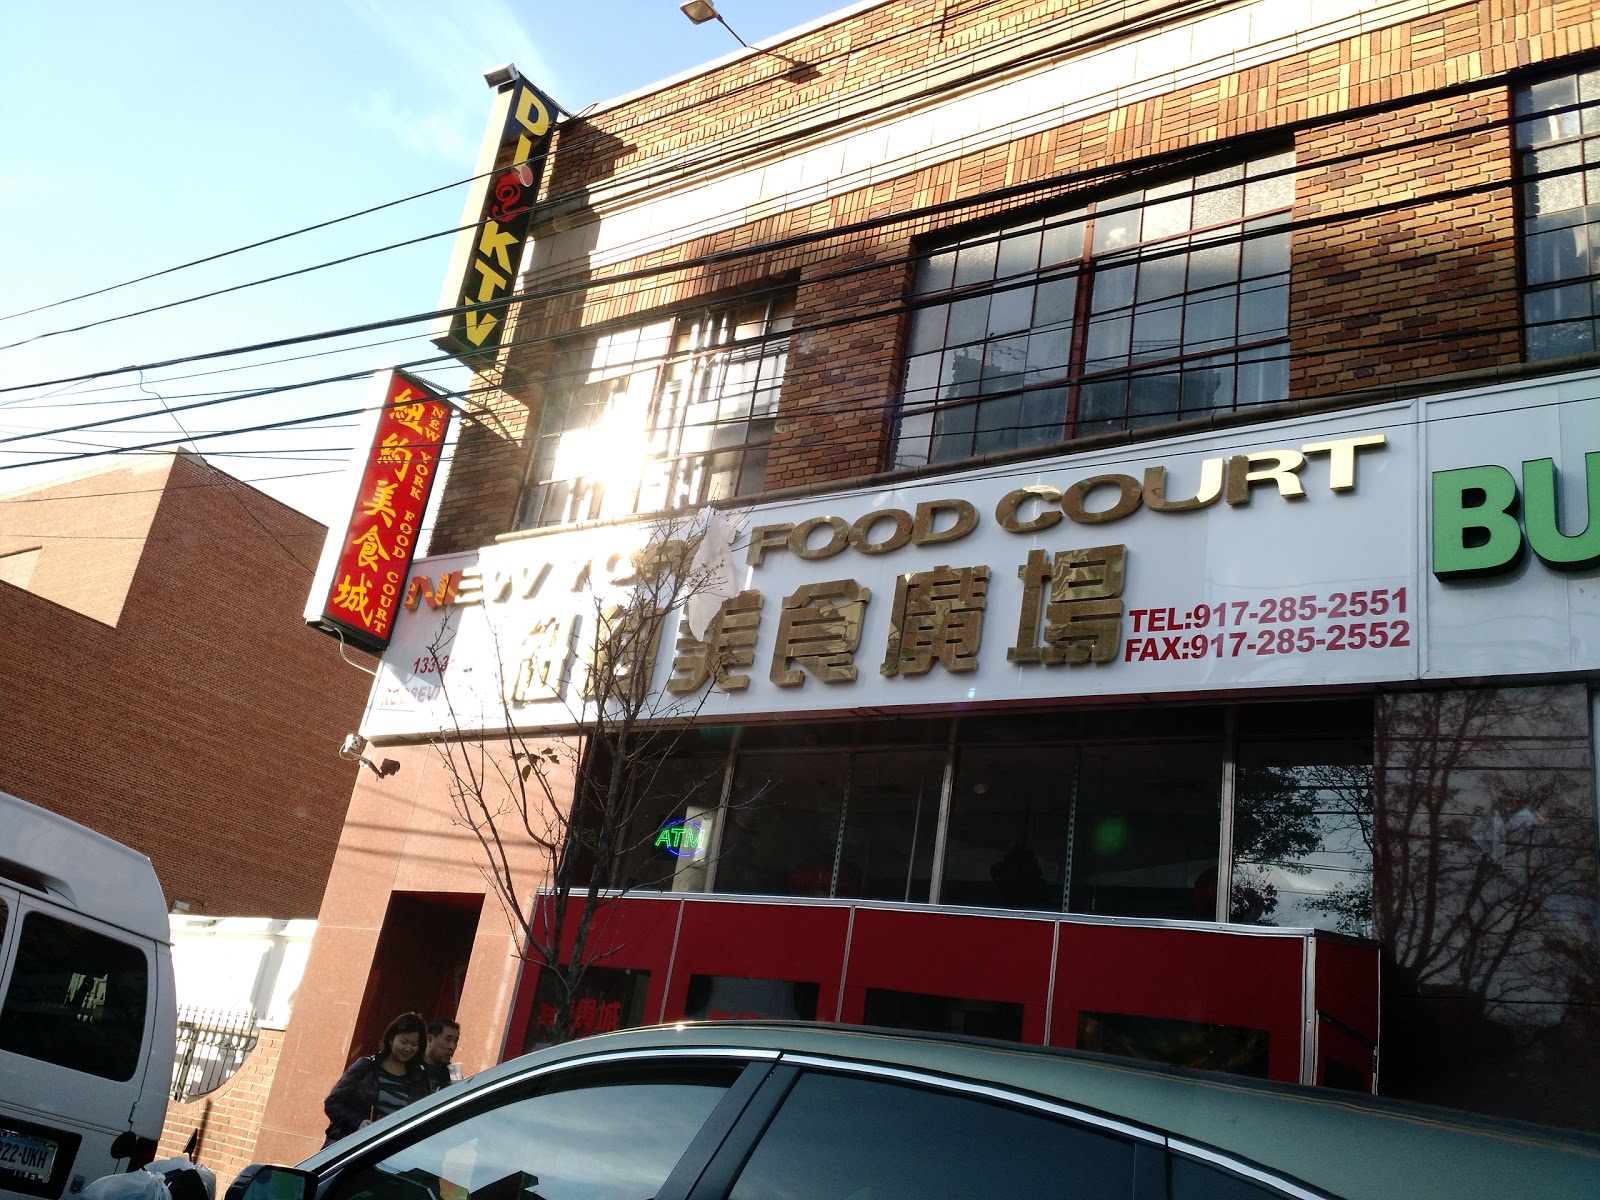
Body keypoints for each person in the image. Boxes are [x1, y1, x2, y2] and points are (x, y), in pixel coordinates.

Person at [322, 1012, 430, 1146]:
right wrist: (358, 1122)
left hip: (386, 1153)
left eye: (414, 1044)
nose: (408, 1048)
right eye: (404, 1042)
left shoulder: (418, 1079)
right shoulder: (366, 1067)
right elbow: (333, 1103)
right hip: (349, 1147)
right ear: (391, 1039)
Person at [420, 1016, 460, 1093]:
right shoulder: (412, 1069)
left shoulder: (452, 1073)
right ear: (430, 1040)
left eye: (455, 1041)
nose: (452, 1047)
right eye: (447, 1040)